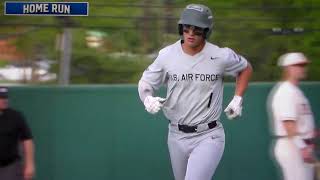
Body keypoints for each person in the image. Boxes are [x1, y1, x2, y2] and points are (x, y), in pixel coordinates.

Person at [138, 4, 252, 180]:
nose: (191, 33)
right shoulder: (167, 55)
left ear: (206, 31)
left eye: (197, 29)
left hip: (209, 135)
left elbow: (245, 68)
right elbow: (146, 82)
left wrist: (238, 98)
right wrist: (147, 98)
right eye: (187, 28)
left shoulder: (220, 55)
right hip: (176, 134)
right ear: (181, 28)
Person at [267, 52, 315, 180]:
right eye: (299, 65)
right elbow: (288, 125)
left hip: (299, 145)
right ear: (288, 68)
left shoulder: (295, 90)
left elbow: (300, 123)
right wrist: (302, 147)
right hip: (292, 146)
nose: (303, 68)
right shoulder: (286, 91)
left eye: (304, 65)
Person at [0, 87, 35, 180]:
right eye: (1, 98)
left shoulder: (16, 116)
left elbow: (27, 140)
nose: (4, 100)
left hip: (10, 167)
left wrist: (30, 164)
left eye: (5, 97)